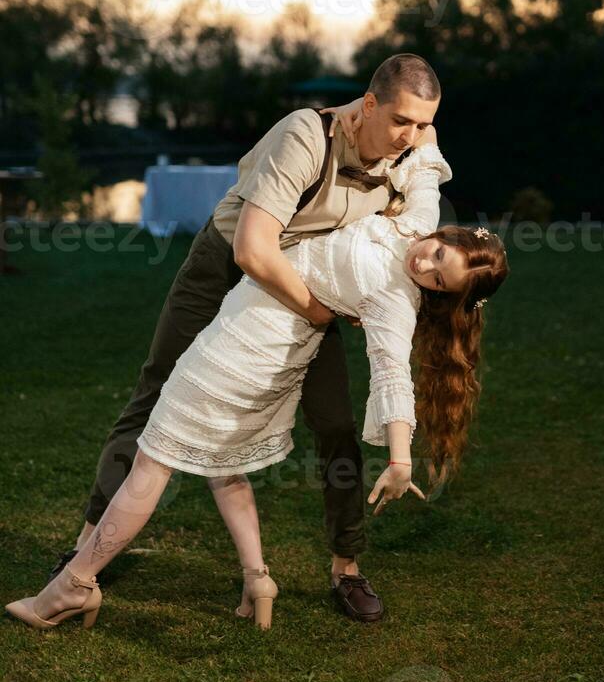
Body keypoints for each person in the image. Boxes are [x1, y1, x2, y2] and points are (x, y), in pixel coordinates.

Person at [6, 134, 509, 632]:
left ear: (442, 297)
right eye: (440, 254)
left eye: (439, 281)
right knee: (225, 461)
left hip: (240, 351)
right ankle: (258, 578)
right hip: (256, 340)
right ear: (447, 234)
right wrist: (426, 127)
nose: (426, 265)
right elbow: (425, 168)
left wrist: (400, 458)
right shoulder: (416, 223)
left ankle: (75, 583)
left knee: (152, 461)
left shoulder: (395, 303)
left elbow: (392, 372)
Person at [44, 53, 444, 623]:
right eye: (402, 120)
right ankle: (83, 555)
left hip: (308, 282)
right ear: (369, 103)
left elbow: (416, 229)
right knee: (155, 393)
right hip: (229, 267)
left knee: (333, 423)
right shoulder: (307, 135)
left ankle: (346, 568)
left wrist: (371, 286)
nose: (412, 135)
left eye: (424, 123)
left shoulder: (413, 151)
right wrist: (323, 312)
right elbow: (252, 250)